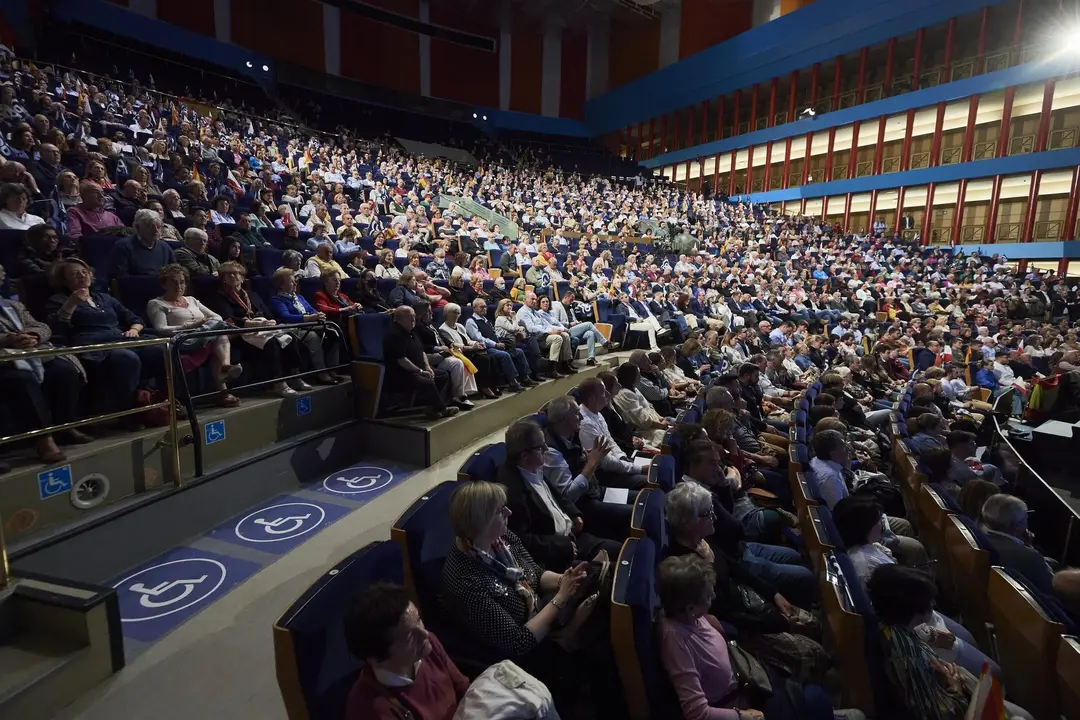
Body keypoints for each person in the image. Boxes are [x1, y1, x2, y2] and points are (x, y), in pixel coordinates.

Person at [437, 481, 614, 717]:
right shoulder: (465, 581)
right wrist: (562, 597)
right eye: (501, 511)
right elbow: (518, 642)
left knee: (605, 600)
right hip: (522, 652)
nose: (509, 513)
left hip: (541, 611)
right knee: (603, 636)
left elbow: (536, 575)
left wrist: (565, 579)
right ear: (481, 521)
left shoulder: (502, 538)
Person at [664, 480, 829, 684]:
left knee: (812, 624)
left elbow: (735, 567)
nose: (714, 517)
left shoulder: (702, 539)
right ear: (688, 522)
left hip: (750, 601)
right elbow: (725, 615)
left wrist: (773, 594)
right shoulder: (687, 567)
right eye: (708, 513)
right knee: (815, 653)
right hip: (745, 626)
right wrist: (773, 622)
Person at [833, 494, 1000, 678]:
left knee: (969, 639)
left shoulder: (869, 547)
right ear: (862, 528)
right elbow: (889, 618)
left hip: (922, 615)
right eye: (877, 522)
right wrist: (932, 635)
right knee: (994, 673)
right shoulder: (865, 567)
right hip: (918, 633)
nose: (882, 524)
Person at [657, 554, 837, 720]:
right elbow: (696, 712)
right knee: (817, 702)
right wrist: (741, 716)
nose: (713, 596)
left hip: (747, 677)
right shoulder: (677, 642)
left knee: (811, 694)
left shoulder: (689, 614)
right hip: (736, 704)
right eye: (708, 596)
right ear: (690, 608)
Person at [867, 565, 1033, 720]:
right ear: (912, 606)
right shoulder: (907, 655)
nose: (932, 604)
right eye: (928, 600)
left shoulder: (891, 628)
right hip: (954, 703)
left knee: (1021, 713)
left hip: (944, 684)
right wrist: (955, 688)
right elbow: (941, 714)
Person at [498, 419, 622, 571]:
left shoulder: (532, 466)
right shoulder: (512, 491)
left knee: (622, 552)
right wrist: (563, 546)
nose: (546, 448)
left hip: (572, 536)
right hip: (556, 554)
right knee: (617, 570)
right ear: (525, 455)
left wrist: (573, 513)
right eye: (541, 446)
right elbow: (524, 541)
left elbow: (557, 496)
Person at [45, 258, 165, 414]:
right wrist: (71, 303)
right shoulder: (58, 301)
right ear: (64, 280)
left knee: (160, 351)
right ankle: (128, 413)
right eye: (75, 274)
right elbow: (56, 329)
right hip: (94, 348)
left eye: (84, 272)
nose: (82, 276)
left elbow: (135, 319)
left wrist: (134, 330)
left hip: (122, 340)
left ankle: (163, 403)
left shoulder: (105, 298)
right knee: (126, 358)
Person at [0, 263, 89, 463]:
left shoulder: (13, 304)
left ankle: (65, 427)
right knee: (23, 379)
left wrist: (32, 335)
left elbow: (41, 326)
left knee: (63, 370)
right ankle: (43, 439)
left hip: (30, 350)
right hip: (4, 357)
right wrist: (7, 339)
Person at [343, 582, 469, 720]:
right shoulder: (372, 710)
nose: (425, 634)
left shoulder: (426, 646)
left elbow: (463, 689)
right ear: (377, 657)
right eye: (409, 636)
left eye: (418, 619)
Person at [808, 429, 928, 567]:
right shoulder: (829, 477)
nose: (848, 447)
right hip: (855, 531)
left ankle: (900, 566)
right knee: (915, 548)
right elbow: (841, 514)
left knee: (904, 525)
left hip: (857, 517)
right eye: (843, 445)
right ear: (833, 453)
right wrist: (875, 523)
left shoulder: (821, 462)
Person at [146, 264, 241, 407]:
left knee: (218, 330)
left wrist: (204, 327)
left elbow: (216, 317)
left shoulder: (192, 300)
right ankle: (225, 378)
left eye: (182, 282)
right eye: (174, 282)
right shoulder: (156, 303)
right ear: (164, 284)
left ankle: (225, 370)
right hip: (183, 340)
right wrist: (191, 326)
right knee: (219, 329)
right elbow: (161, 329)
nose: (179, 286)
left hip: (204, 335)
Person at [206, 261, 305, 398]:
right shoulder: (219, 297)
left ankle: (295, 377)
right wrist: (249, 324)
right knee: (272, 344)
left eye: (238, 273)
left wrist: (271, 320)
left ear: (242, 277)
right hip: (241, 334)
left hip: (262, 329)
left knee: (291, 338)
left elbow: (268, 313)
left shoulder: (251, 295)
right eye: (230, 274)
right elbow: (227, 319)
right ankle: (279, 384)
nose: (235, 276)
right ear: (223, 278)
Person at [268, 268, 345, 385]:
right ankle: (321, 373)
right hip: (294, 327)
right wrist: (308, 318)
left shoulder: (299, 297)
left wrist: (318, 315)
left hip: (310, 324)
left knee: (333, 332)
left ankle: (332, 369)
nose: (295, 283)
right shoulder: (277, 299)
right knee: (313, 337)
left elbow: (312, 310)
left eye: (295, 281)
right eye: (291, 281)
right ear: (281, 285)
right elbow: (286, 316)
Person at [382, 305, 458, 419]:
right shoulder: (394, 335)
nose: (413, 319)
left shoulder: (411, 331)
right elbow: (402, 360)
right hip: (401, 373)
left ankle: (432, 407)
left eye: (413, 316)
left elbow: (421, 351)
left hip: (418, 369)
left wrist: (427, 367)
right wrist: (421, 371)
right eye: (409, 316)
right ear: (399, 319)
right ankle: (442, 409)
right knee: (427, 382)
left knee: (443, 375)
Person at [576, 377, 650, 489]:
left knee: (654, 468)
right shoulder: (585, 424)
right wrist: (639, 469)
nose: (607, 394)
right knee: (650, 480)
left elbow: (610, 441)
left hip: (617, 464)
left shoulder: (596, 412)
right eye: (603, 392)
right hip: (604, 476)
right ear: (592, 400)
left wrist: (622, 457)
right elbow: (605, 462)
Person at [979, 493, 1057, 597]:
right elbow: (1054, 589)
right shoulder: (1030, 557)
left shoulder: (980, 537)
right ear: (1017, 525)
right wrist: (1029, 548)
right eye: (1026, 516)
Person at [464, 298, 534, 390]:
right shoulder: (471, 321)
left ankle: (525, 377)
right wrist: (495, 344)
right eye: (481, 307)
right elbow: (478, 338)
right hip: (484, 348)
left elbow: (494, 333)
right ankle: (513, 382)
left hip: (497, 344)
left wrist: (501, 341)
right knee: (504, 355)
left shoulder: (485, 320)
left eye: (485, 307)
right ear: (474, 308)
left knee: (519, 351)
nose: (484, 309)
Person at [438, 303, 500, 398]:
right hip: (459, 353)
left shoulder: (459, 326)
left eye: (458, 313)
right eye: (454, 313)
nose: (457, 315)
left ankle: (492, 385)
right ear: (447, 314)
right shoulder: (443, 329)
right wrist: (471, 348)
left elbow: (468, 340)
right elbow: (453, 345)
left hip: (469, 350)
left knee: (491, 357)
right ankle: (483, 387)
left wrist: (476, 343)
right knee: (483, 359)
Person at [517, 292, 577, 377]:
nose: (534, 301)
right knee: (557, 338)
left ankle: (565, 364)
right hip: (533, 339)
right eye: (532, 299)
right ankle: (552, 369)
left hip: (543, 336)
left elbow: (546, 325)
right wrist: (549, 332)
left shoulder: (535, 312)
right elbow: (531, 328)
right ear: (525, 300)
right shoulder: (523, 312)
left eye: (535, 299)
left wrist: (559, 329)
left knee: (565, 335)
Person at [611, 362, 671, 447]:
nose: (640, 377)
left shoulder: (634, 389)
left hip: (656, 422)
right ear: (630, 377)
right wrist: (661, 425)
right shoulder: (624, 394)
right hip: (643, 430)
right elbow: (641, 418)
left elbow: (649, 406)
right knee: (669, 438)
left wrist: (661, 419)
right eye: (637, 375)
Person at [108, 208, 177, 278]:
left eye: (158, 227)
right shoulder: (122, 247)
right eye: (149, 226)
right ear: (137, 227)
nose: (156, 230)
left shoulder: (165, 248)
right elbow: (119, 279)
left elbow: (174, 273)